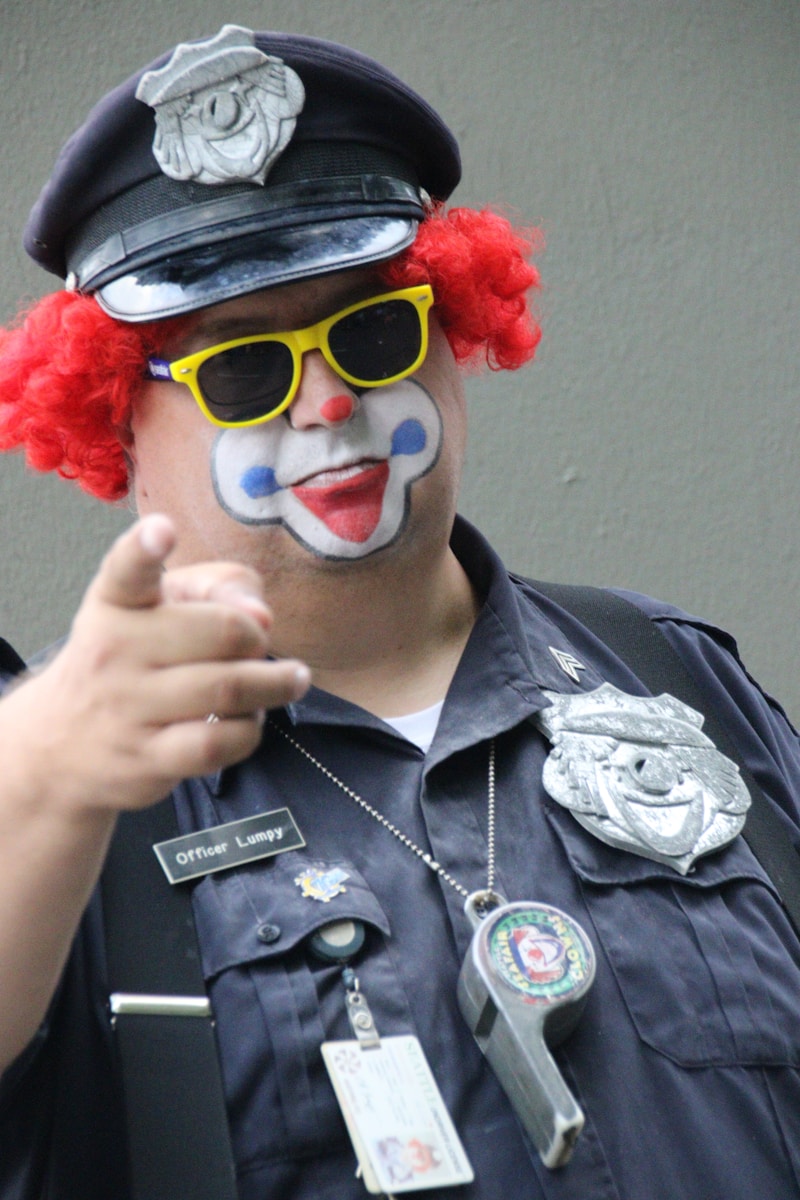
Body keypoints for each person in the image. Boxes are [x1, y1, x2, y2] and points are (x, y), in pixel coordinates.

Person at [0, 24, 799, 1200]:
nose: (325, 402)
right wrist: (36, 772)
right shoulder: (60, 785)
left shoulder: (673, 678)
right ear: (116, 423)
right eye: (243, 369)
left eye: (372, 332)